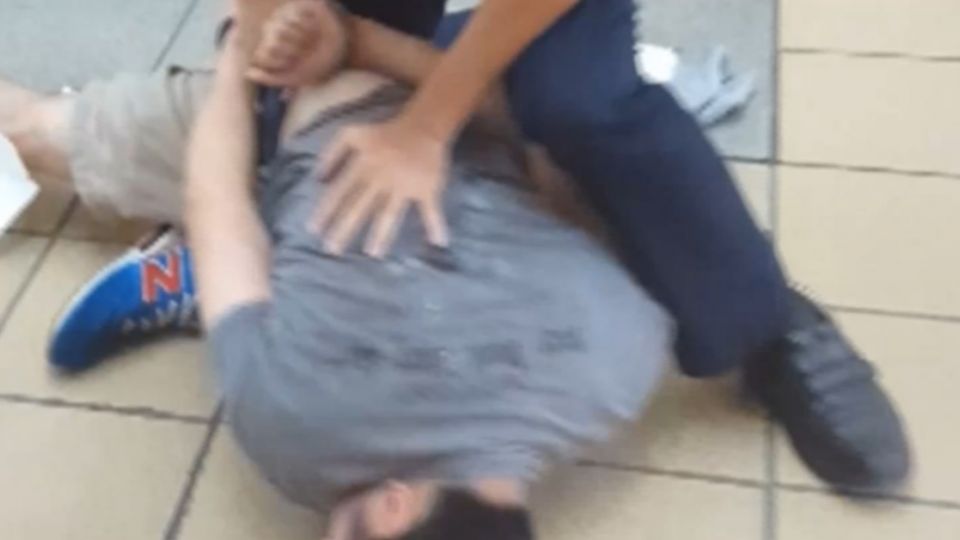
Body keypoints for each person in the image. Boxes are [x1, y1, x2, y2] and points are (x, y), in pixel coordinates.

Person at [4, 0, 909, 492]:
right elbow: (549, 167)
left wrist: (273, 64)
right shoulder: (615, 344)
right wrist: (312, 35)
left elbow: (216, 192)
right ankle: (754, 308)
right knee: (45, 135)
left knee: (580, 101)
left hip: (316, 108)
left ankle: (761, 323)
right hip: (359, 81)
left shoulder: (293, 425)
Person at [3, 3, 671, 538]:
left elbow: (548, 153)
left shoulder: (626, 354)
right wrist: (241, 51)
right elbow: (218, 201)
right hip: (312, 93)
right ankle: (210, 275)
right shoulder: (297, 432)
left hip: (444, 91)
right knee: (28, 131)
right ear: (394, 509)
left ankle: (205, 276)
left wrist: (360, 51)